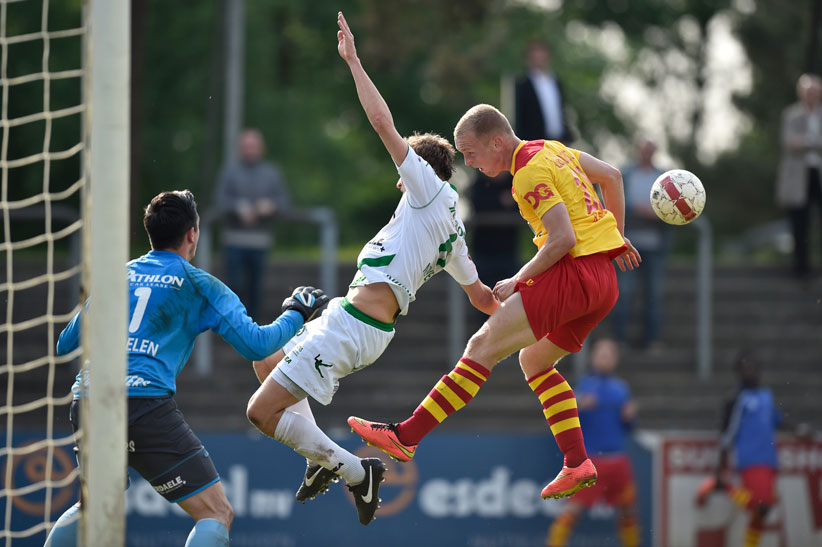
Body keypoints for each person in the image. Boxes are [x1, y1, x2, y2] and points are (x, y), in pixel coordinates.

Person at [243, 11, 498, 527]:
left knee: (259, 412)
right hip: (354, 320)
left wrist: (354, 61)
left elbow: (383, 122)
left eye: (403, 172)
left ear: (418, 170)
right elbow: (481, 298)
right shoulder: (453, 231)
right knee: (264, 356)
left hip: (354, 328)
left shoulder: (427, 189)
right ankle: (321, 458)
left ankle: (355, 470)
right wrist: (529, 300)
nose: (398, 180)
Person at [349, 103, 641, 500]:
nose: (468, 161)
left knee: (480, 347)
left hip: (574, 273)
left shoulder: (528, 173)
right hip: (604, 282)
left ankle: (406, 436)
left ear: (497, 142)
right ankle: (576, 461)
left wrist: (520, 278)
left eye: (470, 152)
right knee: (534, 360)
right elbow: (612, 176)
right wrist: (616, 240)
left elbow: (563, 240)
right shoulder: (552, 149)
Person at [44, 190, 329, 547]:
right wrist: (297, 311)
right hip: (143, 402)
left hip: (87, 398)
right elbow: (257, 344)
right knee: (215, 513)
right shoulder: (198, 284)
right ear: (192, 233)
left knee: (94, 505)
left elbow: (65, 343)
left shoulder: (119, 275)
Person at [697, 349, 811, 547]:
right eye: (745, 368)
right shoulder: (735, 398)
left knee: (760, 515)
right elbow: (726, 434)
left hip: (769, 459)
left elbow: (777, 419)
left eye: (753, 367)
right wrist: (718, 468)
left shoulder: (766, 395)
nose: (750, 372)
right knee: (762, 507)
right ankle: (723, 486)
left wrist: (797, 429)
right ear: (738, 373)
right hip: (750, 459)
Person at [546, 338, 640, 547]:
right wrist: (578, 406)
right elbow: (563, 420)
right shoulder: (583, 388)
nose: (605, 358)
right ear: (593, 357)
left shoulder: (621, 389)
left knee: (628, 510)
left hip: (617, 460)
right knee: (572, 509)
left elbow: (630, 428)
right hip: (591, 462)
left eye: (609, 355)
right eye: (601, 354)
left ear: (615, 359)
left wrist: (630, 417)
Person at [215, 128, 291, 318]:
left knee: (256, 289)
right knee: (233, 287)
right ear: (240, 148)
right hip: (234, 241)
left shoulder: (272, 173)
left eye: (253, 146)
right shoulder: (229, 172)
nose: (250, 150)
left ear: (261, 148)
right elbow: (220, 201)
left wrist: (270, 207)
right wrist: (238, 208)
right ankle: (232, 328)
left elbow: (284, 202)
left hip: (260, 242)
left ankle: (252, 331)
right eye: (246, 146)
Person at [610, 137, 670, 351]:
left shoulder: (663, 178)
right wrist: (639, 211)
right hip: (627, 246)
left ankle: (652, 340)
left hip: (655, 246)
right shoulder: (626, 175)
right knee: (624, 292)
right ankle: (619, 340)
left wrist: (656, 213)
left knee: (654, 295)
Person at [776, 73, 822, 279]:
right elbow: (789, 142)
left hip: (818, 174)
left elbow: (799, 142)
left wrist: (805, 141)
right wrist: (814, 141)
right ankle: (800, 266)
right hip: (799, 178)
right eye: (808, 92)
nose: (811, 96)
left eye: (815, 92)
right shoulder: (791, 115)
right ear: (801, 93)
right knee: (799, 222)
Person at [467, 170, 522, 292]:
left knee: (510, 297)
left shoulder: (513, 182)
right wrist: (503, 202)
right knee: (484, 296)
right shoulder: (480, 183)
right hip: (483, 253)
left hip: (508, 253)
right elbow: (479, 206)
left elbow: (523, 208)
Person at [514, 40, 573, 144]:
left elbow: (562, 110)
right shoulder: (522, 84)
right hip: (535, 142)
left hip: (559, 141)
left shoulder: (556, 81)